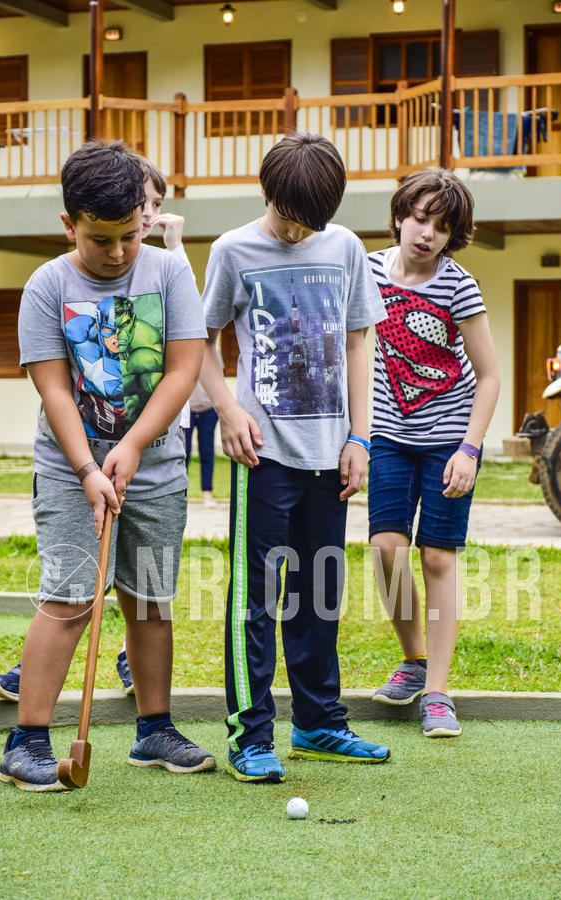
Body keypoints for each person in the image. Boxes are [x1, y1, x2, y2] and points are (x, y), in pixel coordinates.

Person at [0, 140, 215, 791]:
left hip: (155, 469)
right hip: (71, 473)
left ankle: (154, 731)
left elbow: (183, 369)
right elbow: (55, 389)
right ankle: (27, 740)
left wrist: (132, 445)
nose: (117, 253)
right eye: (100, 239)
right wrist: (91, 468)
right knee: (68, 599)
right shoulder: (48, 285)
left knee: (150, 600)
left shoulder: (170, 274)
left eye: (128, 236)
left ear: (144, 222)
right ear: (70, 226)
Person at [200, 132, 391, 783]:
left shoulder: (345, 249)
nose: (292, 230)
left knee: (319, 593)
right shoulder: (233, 250)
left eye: (308, 221)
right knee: (254, 599)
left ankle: (318, 725)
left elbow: (360, 340)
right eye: (286, 215)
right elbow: (200, 339)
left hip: (331, 454)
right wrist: (228, 411)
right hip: (264, 457)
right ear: (267, 192)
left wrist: (361, 438)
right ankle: (249, 737)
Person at [367, 167, 500, 738]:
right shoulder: (367, 270)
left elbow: (490, 376)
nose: (426, 234)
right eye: (419, 219)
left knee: (438, 558)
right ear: (400, 215)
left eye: (441, 227)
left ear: (452, 236)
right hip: (387, 435)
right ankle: (414, 658)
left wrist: (470, 449)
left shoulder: (458, 286)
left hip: (449, 437)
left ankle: (439, 692)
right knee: (385, 550)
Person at [184, 348, 222, 506]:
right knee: (183, 453)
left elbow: (218, 376)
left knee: (207, 452)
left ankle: (207, 493)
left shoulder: (214, 350)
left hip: (208, 408)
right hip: (187, 408)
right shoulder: (184, 348)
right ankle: (182, 494)